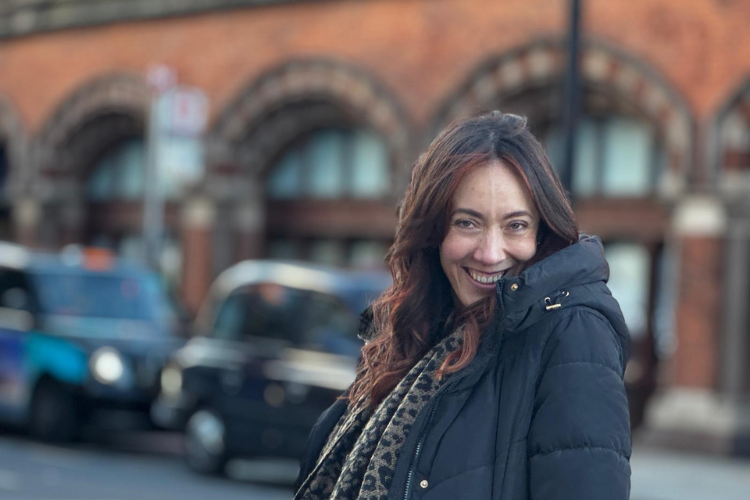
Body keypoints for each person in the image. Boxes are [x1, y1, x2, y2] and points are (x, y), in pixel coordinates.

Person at [294, 111, 631, 500]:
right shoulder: (421, 331)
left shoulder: (572, 331)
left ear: (542, 231)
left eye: (515, 225)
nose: (490, 254)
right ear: (433, 231)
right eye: (467, 223)